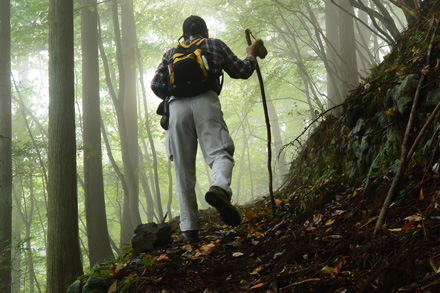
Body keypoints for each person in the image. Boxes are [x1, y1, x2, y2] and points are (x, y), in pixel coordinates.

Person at [151, 15, 266, 243]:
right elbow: (241, 71)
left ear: (183, 35)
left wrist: (174, 95)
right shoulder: (214, 44)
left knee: (183, 170)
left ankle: (190, 231)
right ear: (206, 31)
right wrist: (251, 54)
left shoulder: (170, 52)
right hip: (206, 102)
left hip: (176, 109)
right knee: (220, 153)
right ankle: (219, 189)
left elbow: (155, 84)